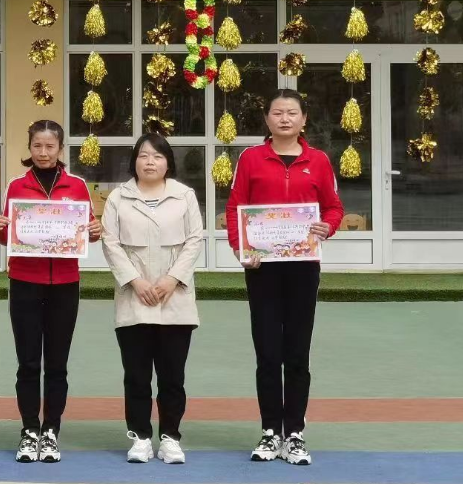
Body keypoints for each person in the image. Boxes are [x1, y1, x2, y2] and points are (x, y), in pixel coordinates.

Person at [226, 89, 344, 465]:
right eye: (277, 112)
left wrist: (328, 227)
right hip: (262, 269)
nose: (285, 119)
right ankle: (269, 432)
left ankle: (294, 433)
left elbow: (334, 207)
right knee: (267, 353)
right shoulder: (250, 158)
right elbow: (235, 207)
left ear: (304, 119)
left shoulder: (318, 161)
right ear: (267, 119)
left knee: (296, 353)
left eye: (292, 112)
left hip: (303, 267)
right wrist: (241, 249)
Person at [0, 120, 102, 463]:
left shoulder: (77, 186)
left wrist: (94, 230)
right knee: (27, 363)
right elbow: (7, 236)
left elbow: (88, 229)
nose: (43, 152)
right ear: (30, 147)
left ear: (60, 149)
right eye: (37, 145)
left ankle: (51, 430)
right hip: (24, 281)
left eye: (50, 146)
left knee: (57, 364)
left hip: (65, 284)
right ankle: (28, 430)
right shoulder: (16, 186)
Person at [101, 133, 203, 464]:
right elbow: (110, 242)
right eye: (143, 156)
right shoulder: (119, 198)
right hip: (135, 298)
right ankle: (141, 437)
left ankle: (171, 437)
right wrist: (135, 280)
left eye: (157, 156)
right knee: (137, 376)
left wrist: (173, 279)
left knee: (173, 376)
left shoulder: (184, 196)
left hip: (175, 299)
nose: (150, 162)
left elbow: (194, 240)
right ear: (134, 161)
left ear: (168, 162)